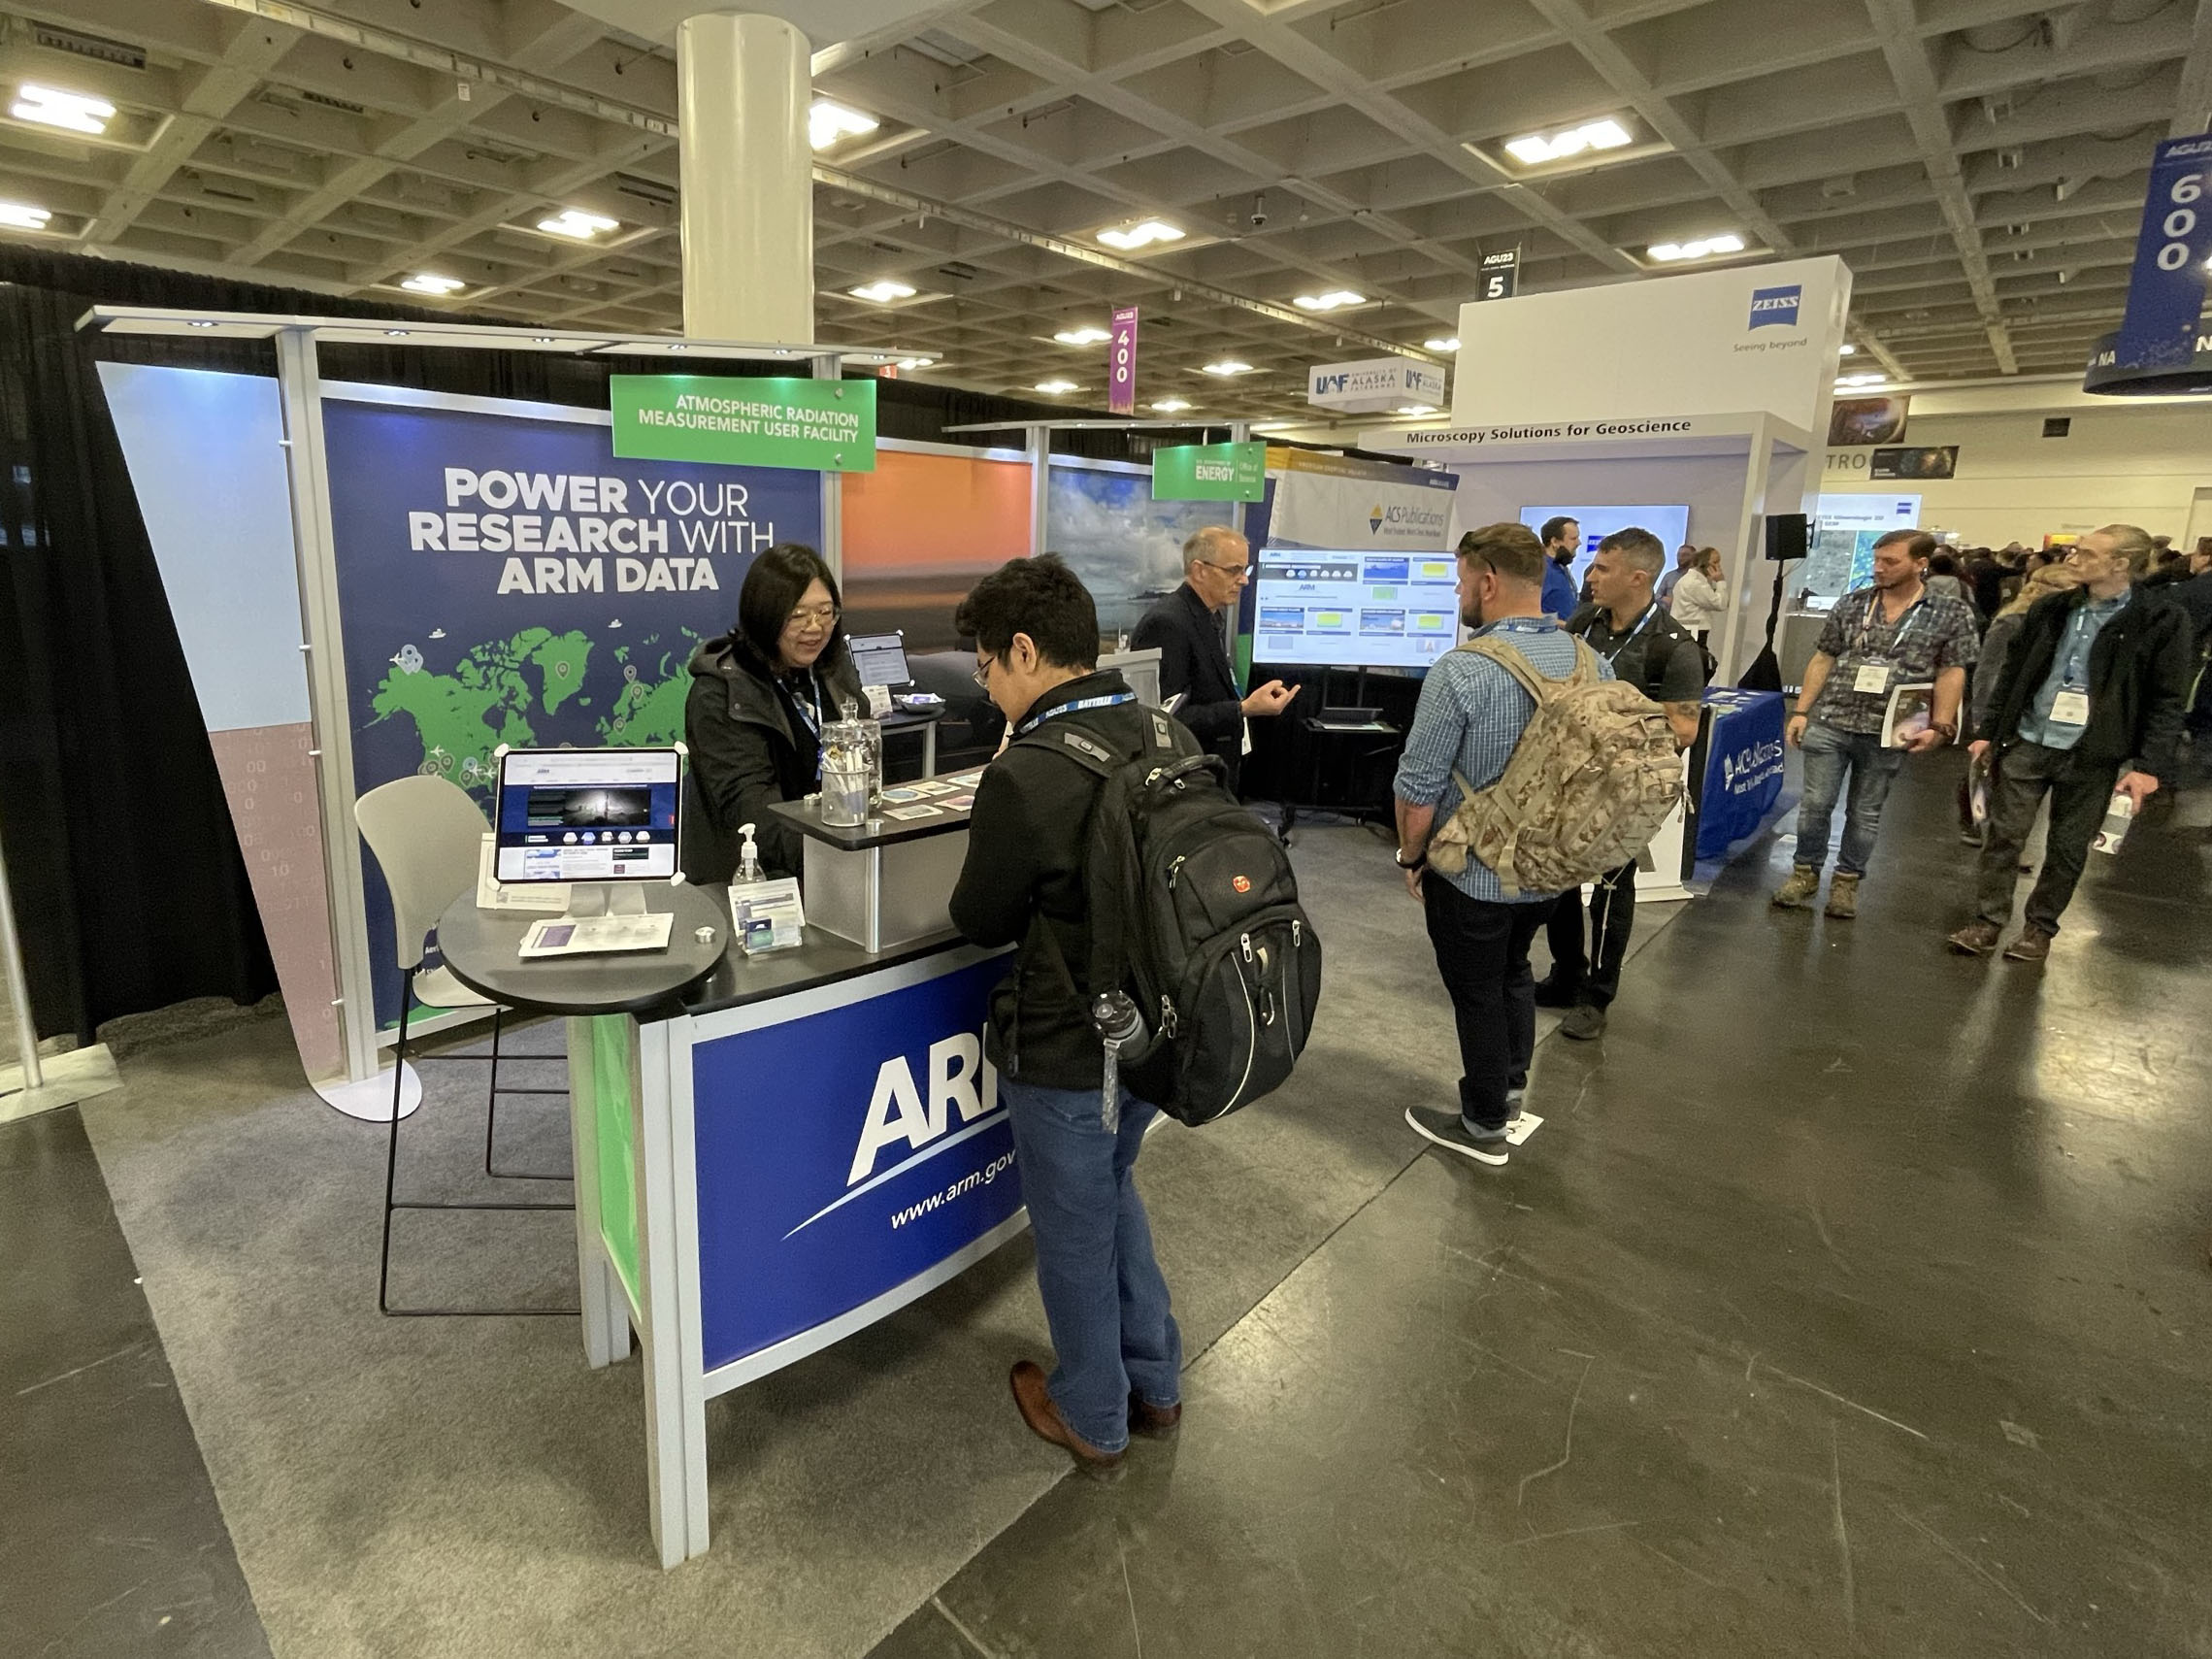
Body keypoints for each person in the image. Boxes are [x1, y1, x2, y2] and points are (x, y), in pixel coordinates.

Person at [947, 554, 1186, 1473]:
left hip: (1064, 1047)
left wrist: (1000, 788)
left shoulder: (1031, 771)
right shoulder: (1161, 733)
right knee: (1115, 1190)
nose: (986, 683)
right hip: (1154, 1033)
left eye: (986, 665)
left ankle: (1093, 1413)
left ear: (1022, 650)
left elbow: (980, 918)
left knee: (1073, 1230)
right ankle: (1154, 1380)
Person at [1392, 522, 1612, 1167]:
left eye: (1461, 579)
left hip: (1473, 871)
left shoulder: (1460, 670)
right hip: (1552, 867)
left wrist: (1411, 855)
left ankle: (1483, 1120)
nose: (1459, 591)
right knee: (1513, 968)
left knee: (1476, 989)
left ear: (1487, 581)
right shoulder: (1588, 660)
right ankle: (1511, 1085)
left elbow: (1418, 785)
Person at [1946, 525, 2195, 961]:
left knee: (2066, 846)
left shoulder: (2161, 619)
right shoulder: (2052, 609)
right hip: (2029, 738)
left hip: (2094, 752)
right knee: (2003, 835)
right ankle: (1987, 921)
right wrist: (1988, 731)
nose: (2072, 560)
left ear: (2120, 563)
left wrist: (2148, 765)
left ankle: (2039, 929)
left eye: (2086, 553)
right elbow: (2013, 673)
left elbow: (2167, 699)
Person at [1536, 528, 1708, 1040]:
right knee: (1560, 879)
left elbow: (1684, 729)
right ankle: (1568, 975)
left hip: (1623, 787)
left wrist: (1606, 722)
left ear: (1638, 578)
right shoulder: (1584, 622)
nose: (1591, 577)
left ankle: (1597, 996)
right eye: (1592, 567)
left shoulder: (1672, 648)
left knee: (1613, 886)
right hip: (1568, 776)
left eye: (1602, 569)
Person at [1773, 530, 1979, 918]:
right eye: (1877, 560)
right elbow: (1824, 657)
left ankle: (1847, 881)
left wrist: (1941, 724)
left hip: (1892, 727)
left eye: (1891, 562)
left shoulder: (1951, 612)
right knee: (1815, 805)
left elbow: (1952, 672)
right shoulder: (1852, 605)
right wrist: (1801, 711)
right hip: (1833, 717)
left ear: (1921, 564)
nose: (1879, 568)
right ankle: (1804, 873)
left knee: (1865, 812)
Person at [684, 543, 863, 882]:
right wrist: (841, 857)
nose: (815, 627)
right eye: (797, 615)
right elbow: (754, 817)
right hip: (753, 879)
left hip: (831, 868)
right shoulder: (720, 693)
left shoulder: (833, 672)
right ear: (764, 615)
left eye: (826, 612)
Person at [1130, 525, 1296, 792]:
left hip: (1212, 771)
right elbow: (1165, 719)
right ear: (1199, 570)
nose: (1244, 580)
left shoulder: (1208, 616)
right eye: (1234, 570)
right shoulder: (1167, 624)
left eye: (1245, 570)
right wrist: (1243, 709)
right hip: (1188, 782)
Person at [1669, 546, 1729, 641]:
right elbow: (1720, 604)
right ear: (1704, 563)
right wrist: (1720, 581)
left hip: (1687, 629)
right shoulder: (1696, 584)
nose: (1718, 567)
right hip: (1693, 631)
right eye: (1715, 562)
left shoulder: (1691, 580)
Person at [1537, 514, 1581, 620]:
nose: (1579, 543)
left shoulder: (1561, 568)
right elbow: (1526, 613)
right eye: (1573, 538)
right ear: (1555, 542)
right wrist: (1564, 625)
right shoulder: (1541, 571)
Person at [1656, 543, 1699, 610]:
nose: (1680, 557)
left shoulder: (1697, 577)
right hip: (1668, 615)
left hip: (1688, 617)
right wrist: (1664, 599)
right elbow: (1657, 596)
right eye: (1678, 555)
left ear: (1693, 557)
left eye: (1685, 555)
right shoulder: (1669, 576)